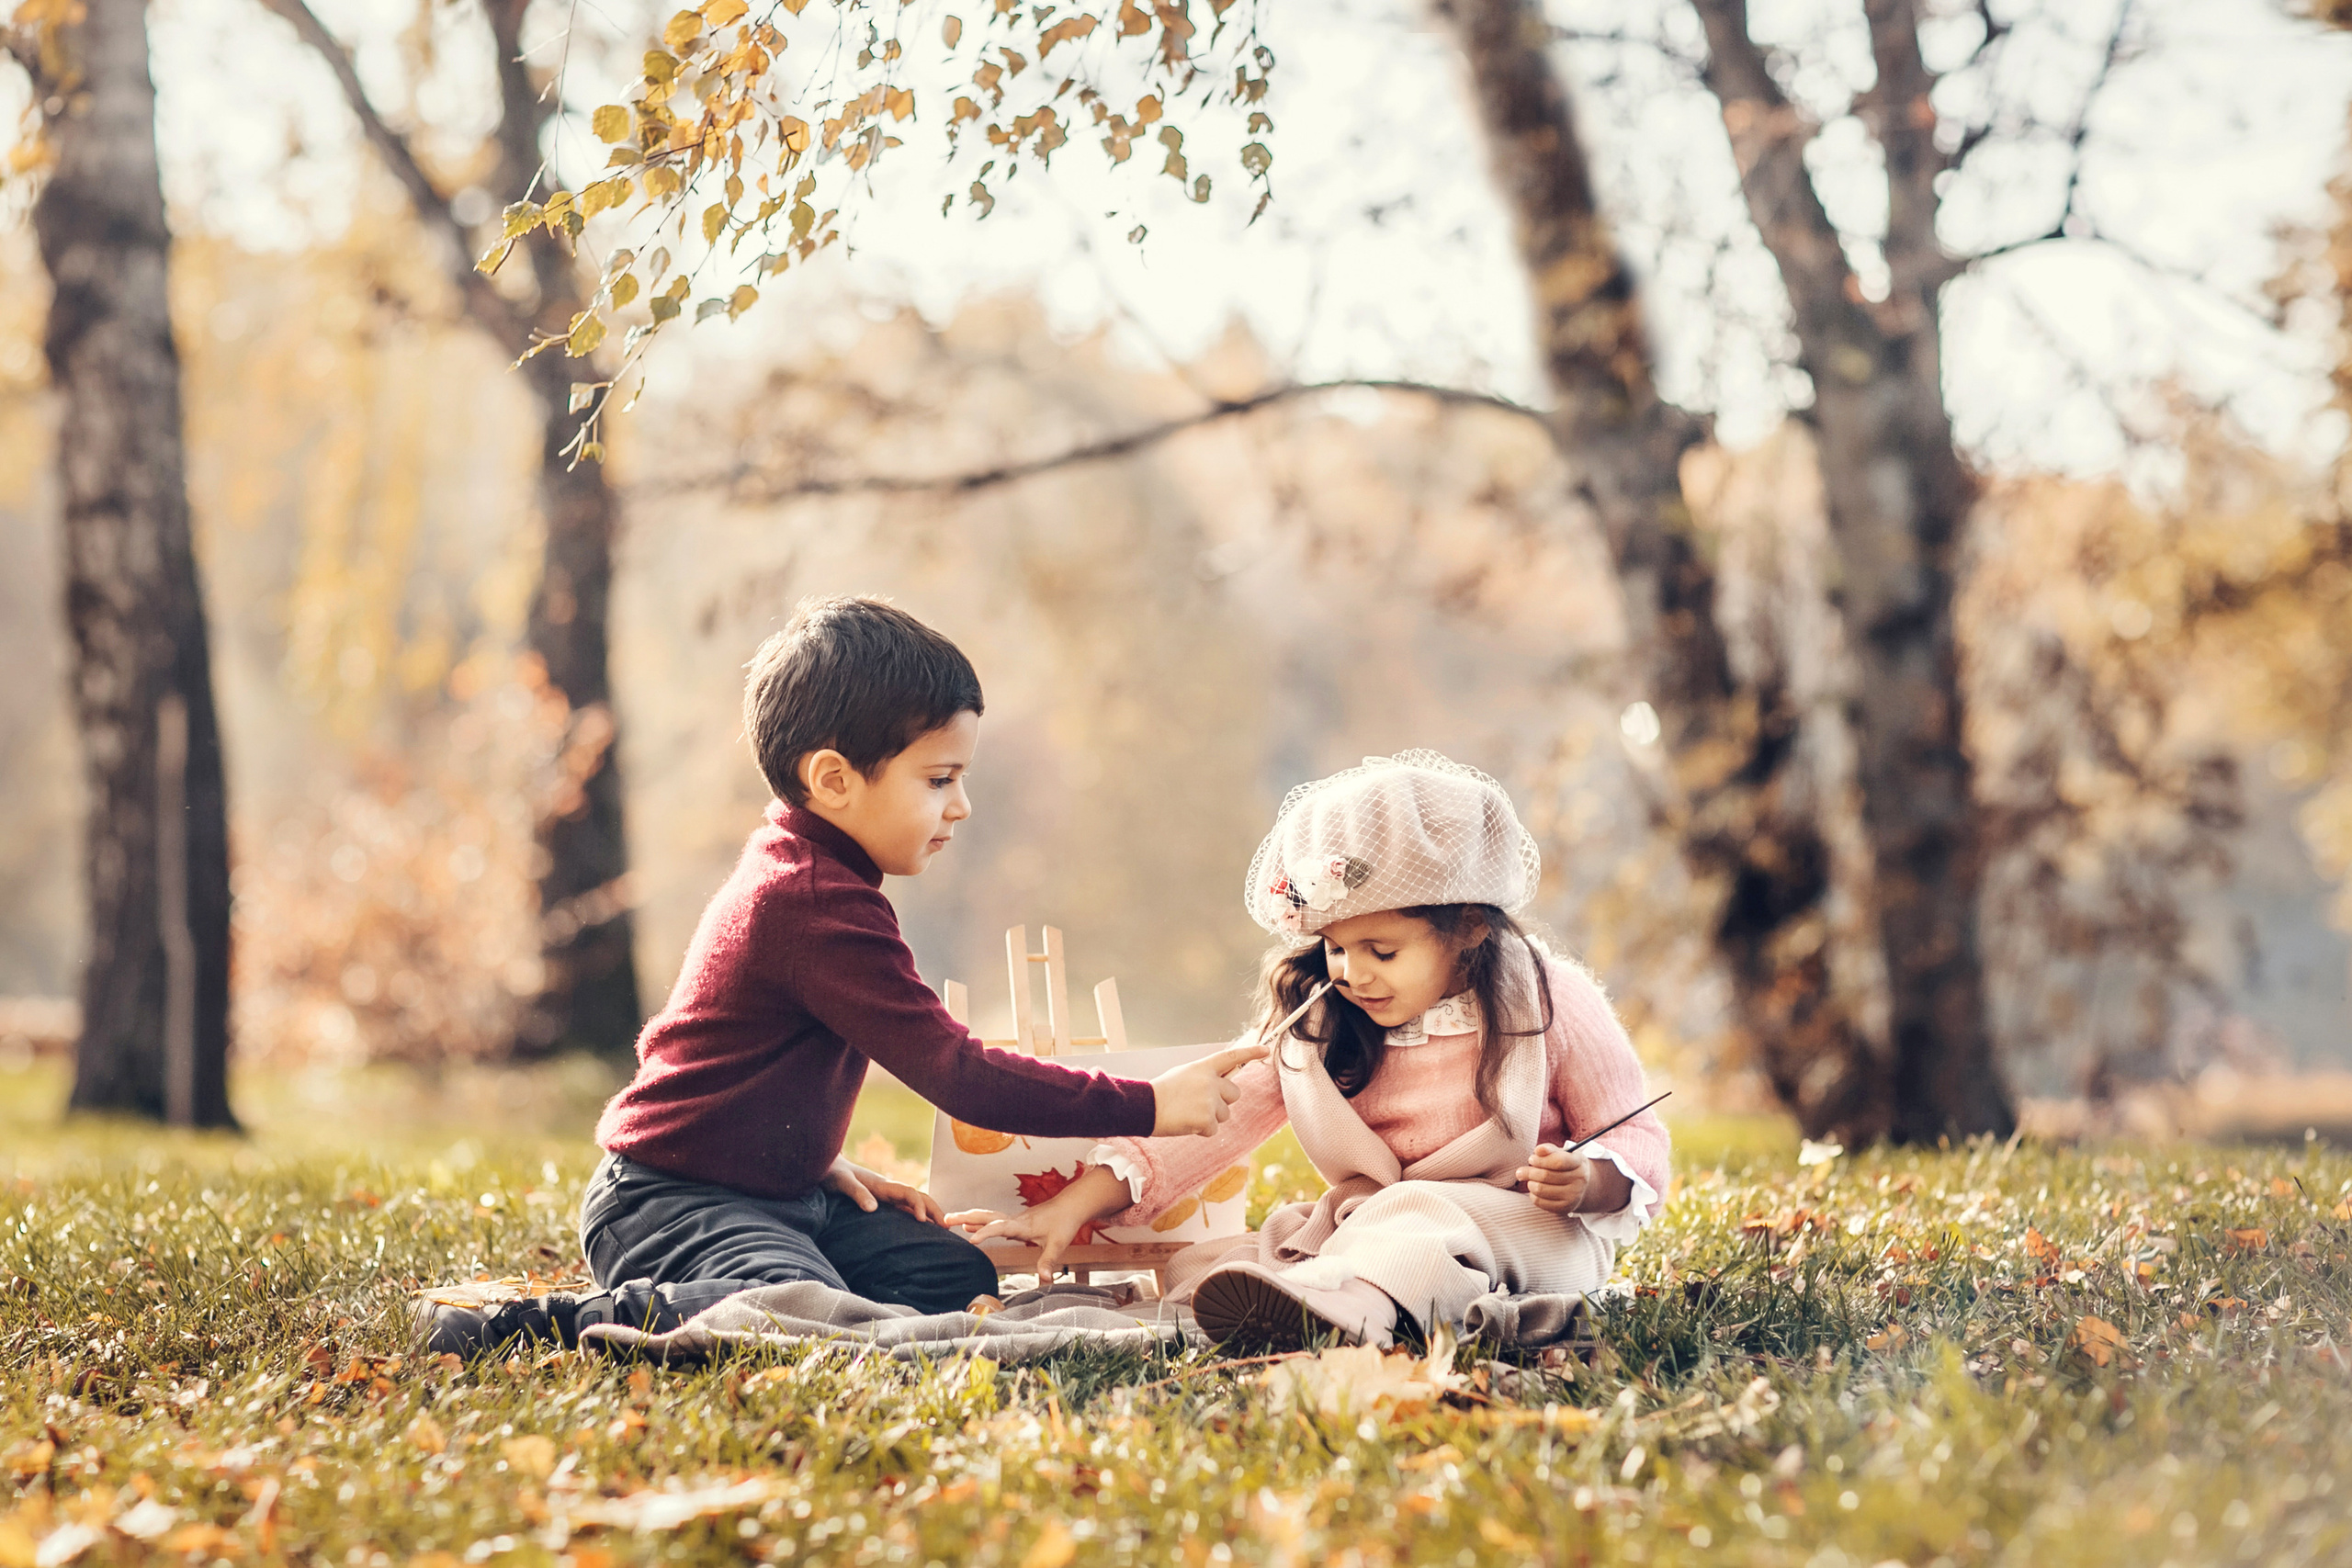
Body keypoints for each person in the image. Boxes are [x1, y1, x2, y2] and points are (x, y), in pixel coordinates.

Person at [421, 596, 1262, 1356]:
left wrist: (813, 1160)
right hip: (675, 1198)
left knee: (946, 1275)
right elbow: (958, 1073)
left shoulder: (808, 874)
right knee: (795, 1309)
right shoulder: (812, 901)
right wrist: (1150, 1100)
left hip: (777, 1190)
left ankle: (799, 1277)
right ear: (832, 780)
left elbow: (719, 1055)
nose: (960, 807)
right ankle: (530, 1328)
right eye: (939, 780)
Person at [967, 750, 1668, 1350]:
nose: (1353, 972)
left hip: (1529, 1228)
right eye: (1335, 946)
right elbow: (1214, 1120)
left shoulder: (1549, 1000)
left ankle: (1335, 1313)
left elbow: (1636, 1132)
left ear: (1470, 927)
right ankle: (1316, 1302)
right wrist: (1078, 1201)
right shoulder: (1321, 1018)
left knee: (1419, 1222)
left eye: (1383, 950)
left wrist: (1589, 1181)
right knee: (1224, 1260)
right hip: (1379, 1226)